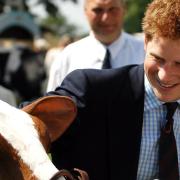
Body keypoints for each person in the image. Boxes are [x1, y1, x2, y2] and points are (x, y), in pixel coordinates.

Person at [36, 0, 180, 179]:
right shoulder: (89, 90)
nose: (165, 75)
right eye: (158, 58)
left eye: (179, 64)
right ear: (146, 41)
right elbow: (24, 123)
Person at [46, 0, 145, 91]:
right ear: (85, 12)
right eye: (98, 10)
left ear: (124, 10)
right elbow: (52, 105)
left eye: (113, 9)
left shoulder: (145, 53)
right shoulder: (67, 58)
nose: (106, 17)